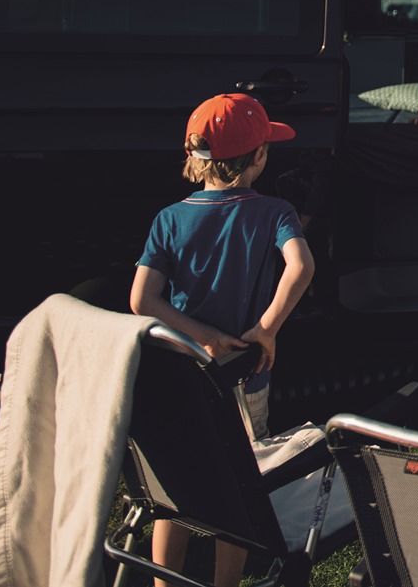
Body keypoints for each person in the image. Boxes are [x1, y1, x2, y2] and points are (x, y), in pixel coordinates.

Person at [129, 93, 315, 587]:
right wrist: (266, 329)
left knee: (176, 483)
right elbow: (301, 266)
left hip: (179, 374)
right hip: (243, 373)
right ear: (258, 157)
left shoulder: (168, 219)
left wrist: (202, 337)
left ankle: (164, 581)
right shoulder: (276, 211)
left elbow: (142, 300)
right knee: (238, 483)